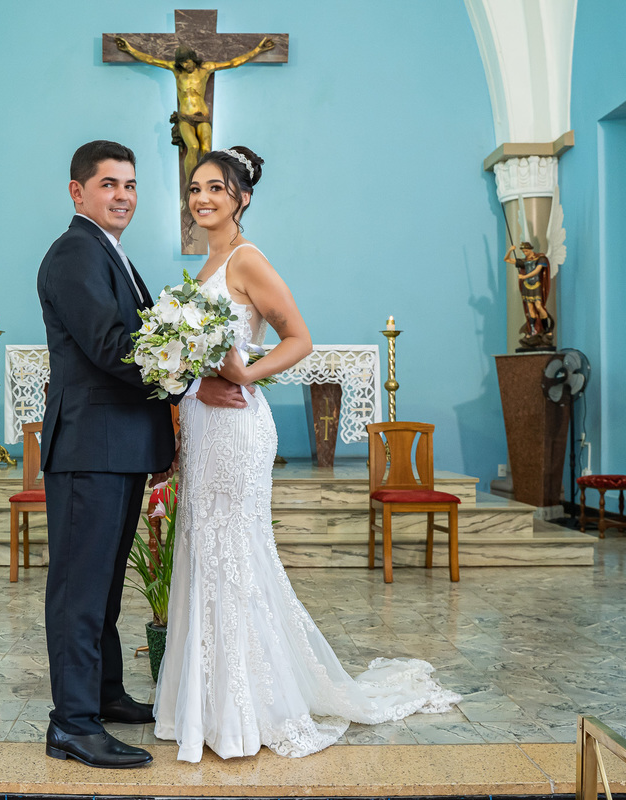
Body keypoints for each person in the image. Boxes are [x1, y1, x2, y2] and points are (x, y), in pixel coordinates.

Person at [152, 146, 462, 762]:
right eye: (194, 188)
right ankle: (207, 702)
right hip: (203, 426)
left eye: (216, 188)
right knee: (203, 549)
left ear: (242, 198)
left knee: (234, 553)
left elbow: (301, 337)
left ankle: (247, 706)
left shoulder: (247, 260)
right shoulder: (209, 261)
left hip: (237, 429)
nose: (202, 198)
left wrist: (247, 376)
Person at [36, 140, 246, 769]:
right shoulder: (75, 252)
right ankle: (71, 723)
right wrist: (189, 382)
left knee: (99, 587)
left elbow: (139, 341)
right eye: (108, 184)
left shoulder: (110, 252)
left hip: (117, 446)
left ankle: (100, 695)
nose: (122, 194)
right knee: (79, 587)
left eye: (129, 184)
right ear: (78, 192)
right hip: (90, 450)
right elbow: (110, 344)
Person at [113, 37, 274, 177]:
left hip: (202, 116)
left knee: (206, 150)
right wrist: (129, 49)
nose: (185, 65)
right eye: (182, 62)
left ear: (193, 59)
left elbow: (233, 62)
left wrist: (258, 50)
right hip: (185, 117)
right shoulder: (177, 72)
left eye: (187, 61)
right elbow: (150, 60)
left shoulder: (205, 69)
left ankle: (206, 179)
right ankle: (192, 184)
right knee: (193, 147)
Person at [505, 242, 554, 348]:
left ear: (531, 249)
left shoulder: (541, 259)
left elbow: (537, 271)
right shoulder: (525, 261)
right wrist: (510, 250)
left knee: (538, 306)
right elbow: (507, 260)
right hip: (527, 287)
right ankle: (533, 329)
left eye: (526, 251)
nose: (525, 253)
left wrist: (524, 276)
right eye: (523, 252)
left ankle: (546, 329)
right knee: (530, 309)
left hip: (536, 285)